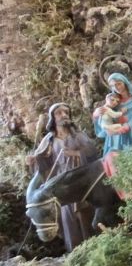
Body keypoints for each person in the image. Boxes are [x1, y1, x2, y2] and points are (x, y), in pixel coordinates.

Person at [27, 103, 98, 251]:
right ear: (53, 118)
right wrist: (34, 160)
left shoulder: (78, 136)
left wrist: (76, 153)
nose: (64, 115)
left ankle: (94, 247)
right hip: (61, 184)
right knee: (67, 217)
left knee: (84, 213)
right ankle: (75, 250)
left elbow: (92, 153)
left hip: (79, 180)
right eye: (59, 113)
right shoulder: (49, 140)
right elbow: (43, 166)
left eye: (66, 112)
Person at [93, 72, 132, 156]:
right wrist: (96, 114)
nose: (116, 87)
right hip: (114, 139)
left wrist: (126, 127)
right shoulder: (114, 102)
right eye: (112, 86)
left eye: (118, 84)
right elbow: (105, 116)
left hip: (131, 138)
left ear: (125, 83)